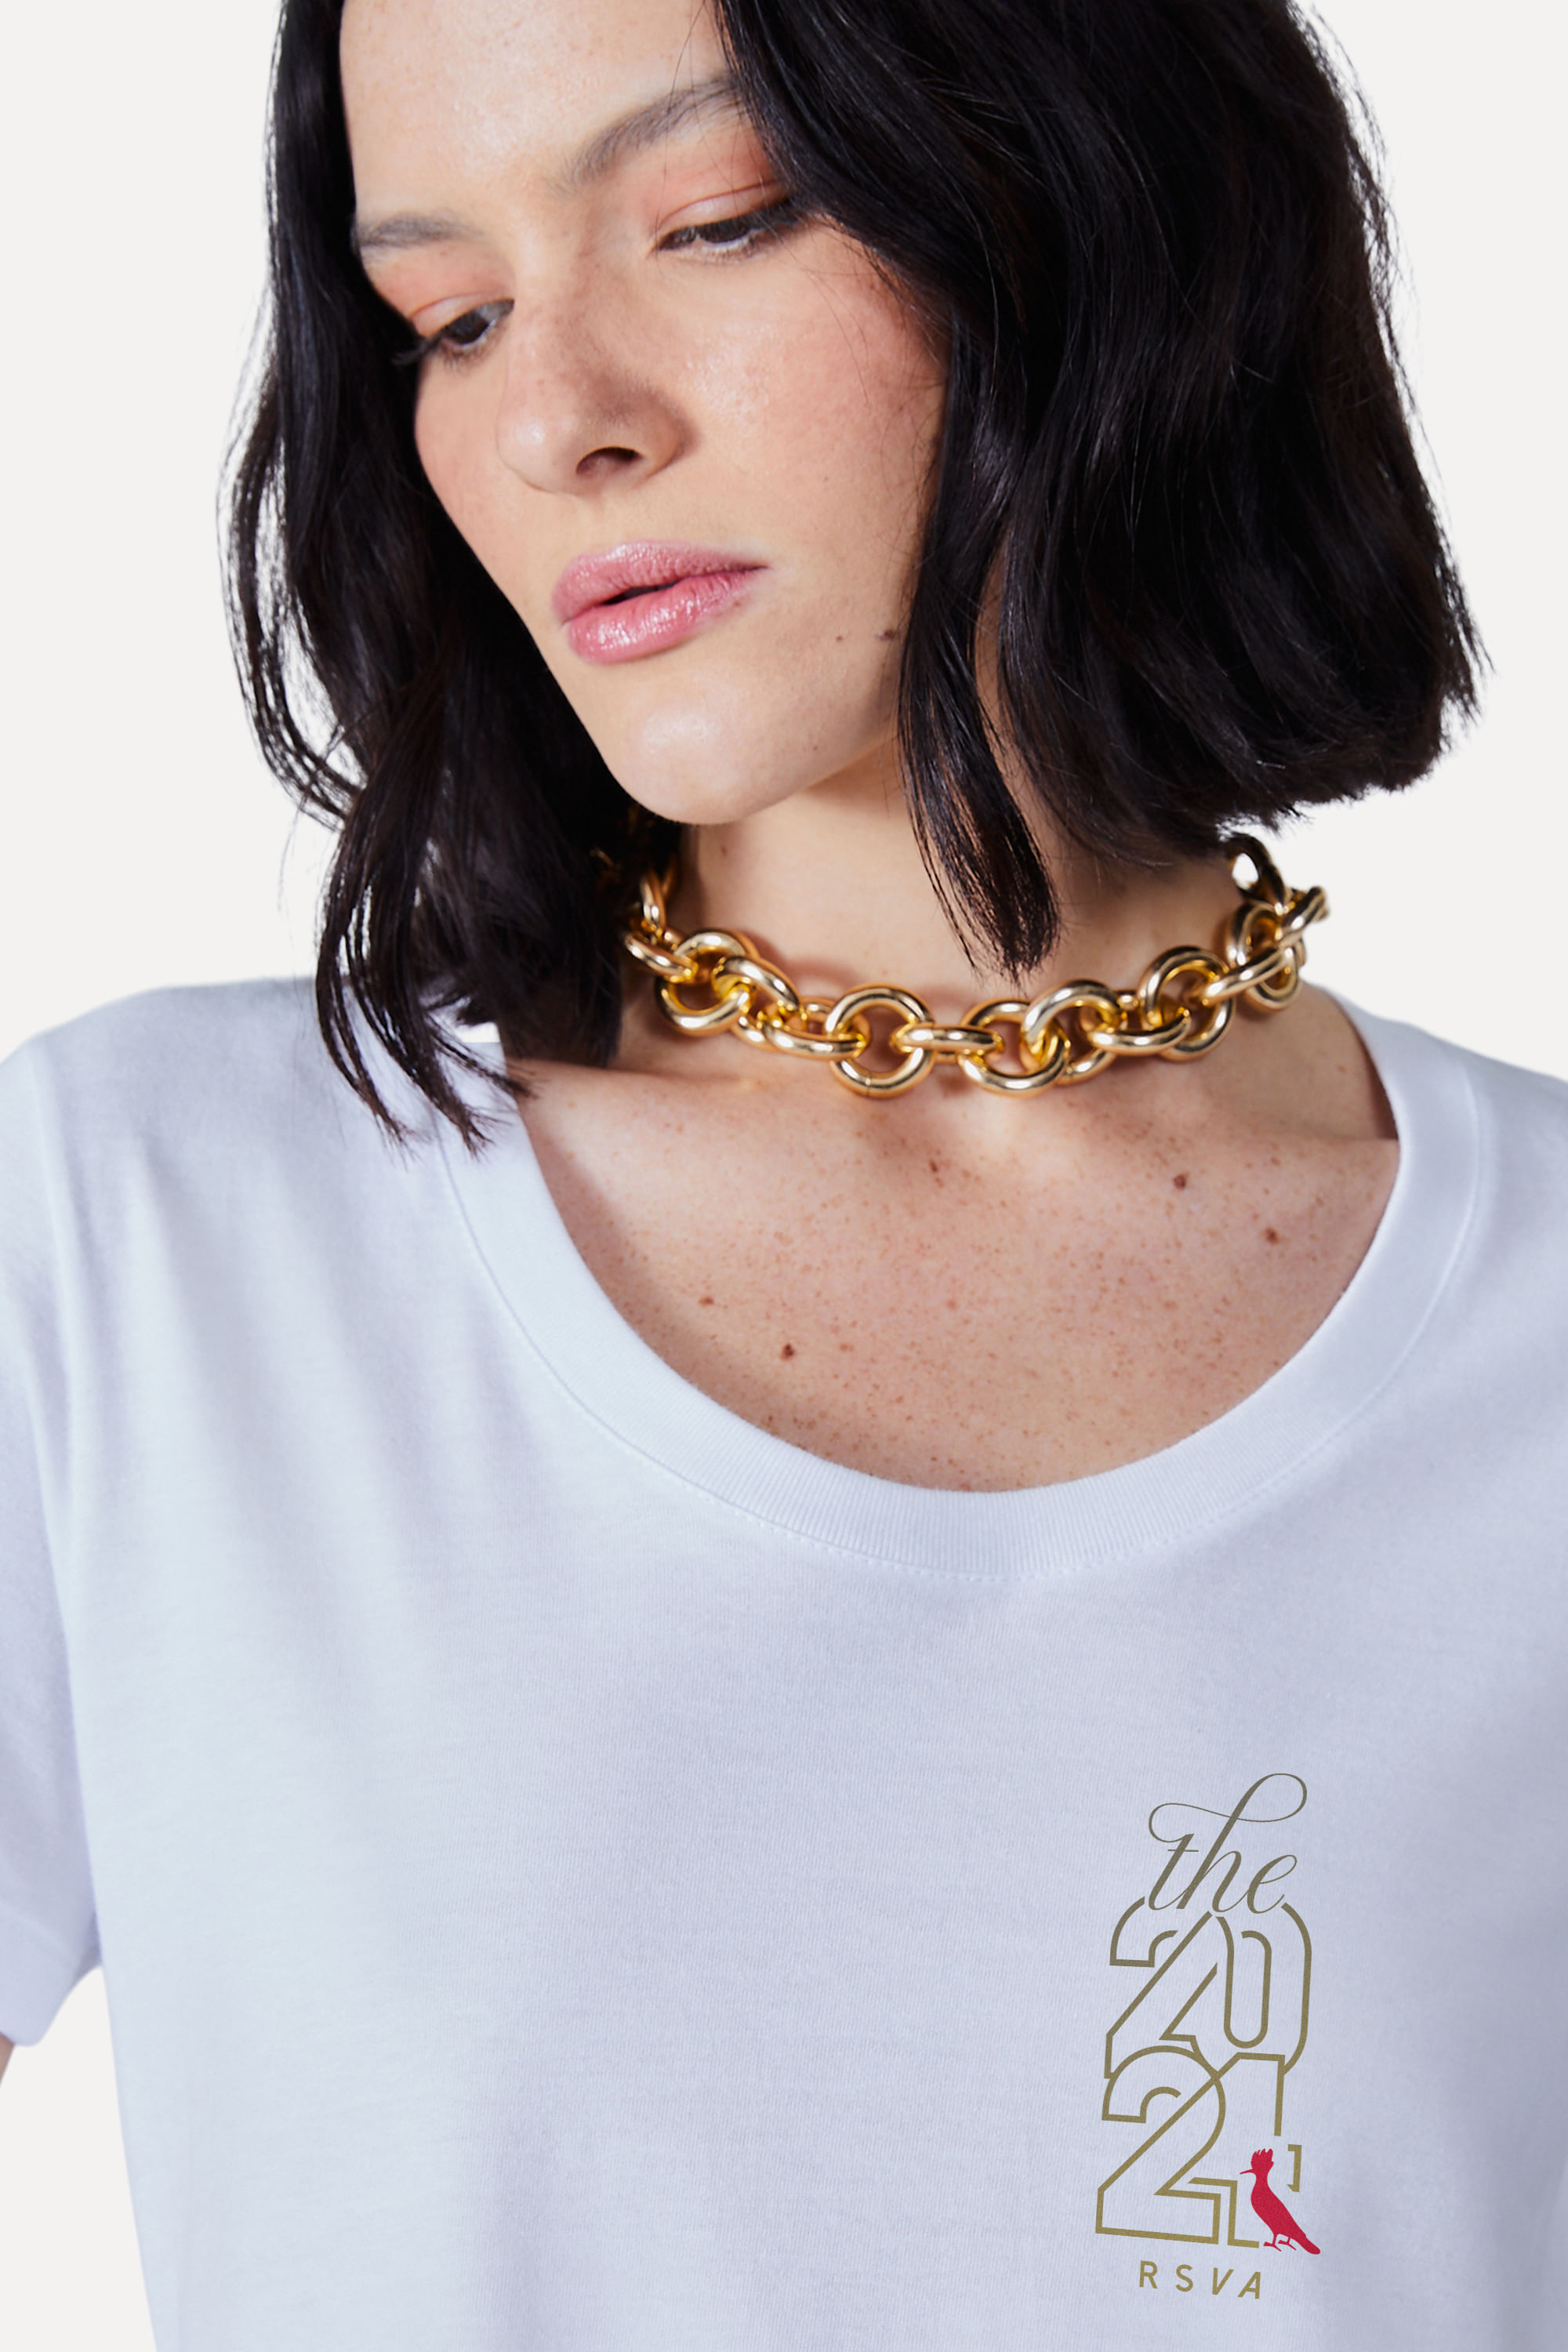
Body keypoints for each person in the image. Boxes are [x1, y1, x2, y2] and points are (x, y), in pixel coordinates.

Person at [1, 0, 1563, 2344]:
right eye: (450, 317)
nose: (556, 418)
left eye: (718, 219)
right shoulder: (143, 1241)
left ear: (1108, 197)